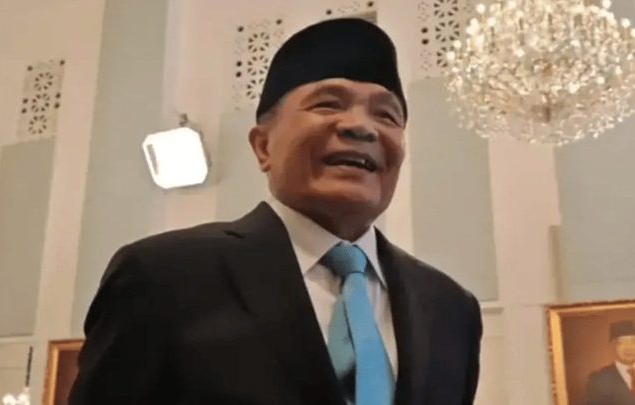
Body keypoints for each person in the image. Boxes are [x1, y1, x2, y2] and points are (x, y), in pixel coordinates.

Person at [69, 18, 482, 405]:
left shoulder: (450, 309)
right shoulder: (163, 277)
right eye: (328, 104)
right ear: (263, 146)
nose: (361, 127)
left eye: (386, 115)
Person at [585, 320, 635, 405]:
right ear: (613, 345)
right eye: (621, 342)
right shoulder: (598, 380)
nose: (629, 347)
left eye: (633, 341)